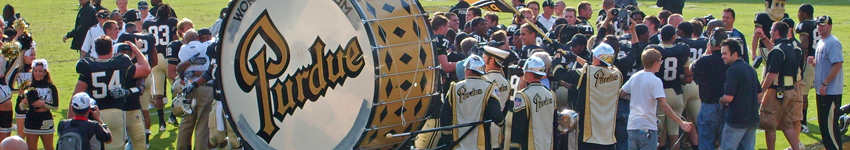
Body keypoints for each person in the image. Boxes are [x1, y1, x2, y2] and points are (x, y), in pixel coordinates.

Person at [72, 35, 151, 150]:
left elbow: (76, 95)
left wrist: (71, 121)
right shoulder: (120, 62)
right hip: (116, 112)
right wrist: (135, 49)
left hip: (96, 113)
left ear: (95, 49)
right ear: (111, 49)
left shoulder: (88, 66)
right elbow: (146, 69)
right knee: (118, 146)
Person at [622, 48, 692, 150]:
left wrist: (636, 98)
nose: (661, 63)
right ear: (655, 63)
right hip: (647, 128)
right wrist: (681, 122)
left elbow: (622, 93)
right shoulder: (655, 81)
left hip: (632, 126)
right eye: (660, 61)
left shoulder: (635, 76)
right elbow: (664, 106)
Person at [754, 21, 803, 150]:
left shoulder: (777, 50)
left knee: (769, 125)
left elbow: (771, 74)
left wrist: (761, 91)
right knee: (787, 125)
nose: (770, 31)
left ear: (776, 32)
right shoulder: (793, 46)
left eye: (771, 30)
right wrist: (764, 38)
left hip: (777, 92)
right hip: (791, 90)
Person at [441, 55, 504, 150]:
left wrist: (446, 137)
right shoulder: (490, 88)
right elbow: (496, 115)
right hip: (481, 145)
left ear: (469, 71)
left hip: (458, 144)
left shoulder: (454, 87)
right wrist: (501, 123)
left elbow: (445, 115)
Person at [646, 25, 692, 149]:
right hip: (676, 94)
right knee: (674, 133)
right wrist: (679, 77)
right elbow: (688, 76)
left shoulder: (653, 50)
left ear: (660, 37)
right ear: (674, 36)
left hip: (660, 94)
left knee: (659, 133)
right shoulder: (682, 49)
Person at [574, 43, 621, 149]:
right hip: (608, 136)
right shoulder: (617, 74)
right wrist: (575, 57)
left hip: (589, 135)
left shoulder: (588, 73)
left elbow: (560, 73)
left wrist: (558, 56)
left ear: (596, 58)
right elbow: (596, 67)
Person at [690, 27, 729, 150]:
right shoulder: (730, 62)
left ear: (711, 43)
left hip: (708, 106)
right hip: (727, 106)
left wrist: (707, 52)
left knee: (706, 143)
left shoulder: (704, 61)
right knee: (726, 144)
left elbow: (691, 68)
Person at [176, 29, 214, 150]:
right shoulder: (206, 46)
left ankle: (181, 147)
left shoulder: (183, 49)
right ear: (198, 37)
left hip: (189, 86)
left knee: (186, 122)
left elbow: (179, 69)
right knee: (203, 123)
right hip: (206, 87)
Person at [719, 39, 760, 150]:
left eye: (725, 53)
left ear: (735, 54)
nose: (722, 56)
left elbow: (728, 97)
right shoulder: (750, 69)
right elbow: (759, 95)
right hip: (752, 118)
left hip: (737, 120)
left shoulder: (732, 70)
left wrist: (721, 100)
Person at [506, 56, 554, 150]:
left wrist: (514, 146)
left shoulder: (522, 95)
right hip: (547, 145)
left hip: (530, 145)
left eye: (525, 71)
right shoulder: (551, 94)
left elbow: (518, 125)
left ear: (530, 74)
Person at [810, 15, 844, 150]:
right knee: (824, 127)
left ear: (830, 26)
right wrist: (814, 63)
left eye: (823, 25)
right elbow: (826, 65)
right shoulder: (821, 42)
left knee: (830, 128)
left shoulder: (832, 42)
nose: (820, 27)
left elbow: (837, 65)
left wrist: (825, 84)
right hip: (823, 91)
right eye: (818, 25)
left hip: (830, 92)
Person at [143, 4, 179, 131]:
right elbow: (175, 39)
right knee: (176, 89)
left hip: (155, 59)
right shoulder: (172, 22)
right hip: (169, 58)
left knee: (159, 94)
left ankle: (161, 123)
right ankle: (173, 116)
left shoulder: (148, 24)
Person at [20, 59, 58, 150]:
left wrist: (43, 104)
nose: (37, 73)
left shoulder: (51, 87)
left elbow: (55, 107)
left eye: (40, 71)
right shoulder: (28, 87)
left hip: (46, 120)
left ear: (45, 72)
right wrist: (24, 102)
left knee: (49, 148)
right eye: (35, 71)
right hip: (31, 120)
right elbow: (22, 108)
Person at [482, 45, 512, 150]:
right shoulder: (506, 83)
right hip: (498, 129)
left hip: (483, 130)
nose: (482, 60)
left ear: (491, 61)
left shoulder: (483, 80)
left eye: (484, 58)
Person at [795, 3, 816, 133]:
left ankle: (803, 123)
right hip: (819, 62)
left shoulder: (804, 25)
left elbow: (805, 45)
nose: (798, 15)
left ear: (805, 14)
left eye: (799, 12)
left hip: (809, 62)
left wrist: (801, 63)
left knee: (803, 93)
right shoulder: (817, 24)